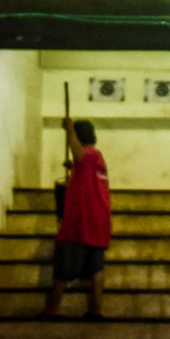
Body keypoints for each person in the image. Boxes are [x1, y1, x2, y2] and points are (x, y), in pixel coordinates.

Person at [41, 117, 111, 319]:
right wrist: (72, 168)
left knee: (64, 267)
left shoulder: (89, 154)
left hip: (81, 221)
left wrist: (69, 130)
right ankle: (95, 311)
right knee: (96, 268)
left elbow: (78, 153)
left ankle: (53, 309)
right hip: (98, 222)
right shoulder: (97, 159)